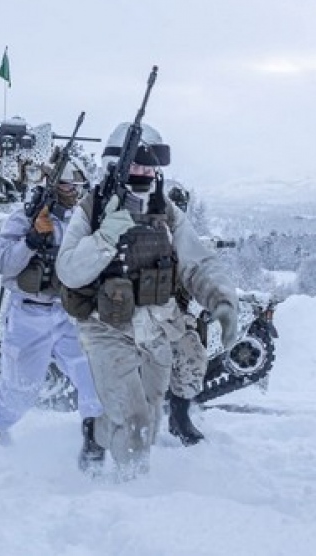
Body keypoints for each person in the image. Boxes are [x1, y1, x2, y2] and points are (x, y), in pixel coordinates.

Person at [56, 123, 238, 478]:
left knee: (150, 416)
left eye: (150, 167)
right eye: (136, 167)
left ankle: (96, 432)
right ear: (115, 166)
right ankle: (133, 498)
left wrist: (222, 301)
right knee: (136, 421)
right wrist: (105, 236)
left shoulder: (164, 210)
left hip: (158, 326)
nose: (144, 174)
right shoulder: (91, 210)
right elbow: (68, 271)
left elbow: (196, 261)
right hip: (105, 325)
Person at [0, 160, 106, 472]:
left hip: (68, 315)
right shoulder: (23, 218)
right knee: (20, 393)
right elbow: (5, 265)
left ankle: (94, 446)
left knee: (95, 379)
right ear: (52, 185)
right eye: (66, 184)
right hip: (28, 317)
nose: (73, 191)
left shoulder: (81, 221)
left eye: (77, 185)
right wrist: (31, 241)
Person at [165, 183, 210, 445]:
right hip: (130, 311)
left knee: (192, 354)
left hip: (172, 314)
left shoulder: (185, 242)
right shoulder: (134, 229)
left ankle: (179, 417)